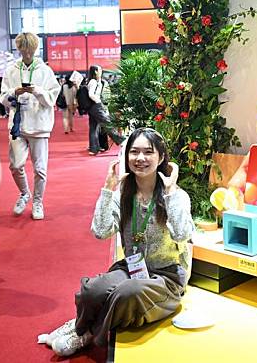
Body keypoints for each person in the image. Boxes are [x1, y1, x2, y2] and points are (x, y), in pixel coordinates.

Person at [38, 128, 194, 356]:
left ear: (161, 157)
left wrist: (169, 193)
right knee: (93, 289)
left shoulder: (176, 196)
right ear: (126, 157)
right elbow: (100, 232)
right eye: (134, 152)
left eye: (148, 152)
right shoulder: (123, 193)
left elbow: (182, 234)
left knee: (127, 293)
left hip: (166, 276)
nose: (140, 159)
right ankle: (77, 325)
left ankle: (86, 334)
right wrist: (107, 190)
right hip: (133, 267)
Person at [0, 32, 60, 220]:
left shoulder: (45, 70)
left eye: (29, 50)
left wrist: (37, 91)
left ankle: (38, 202)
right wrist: (14, 93)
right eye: (22, 50)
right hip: (18, 124)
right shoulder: (11, 70)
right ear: (19, 49)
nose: (26, 54)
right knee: (15, 165)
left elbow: (52, 98)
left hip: (39, 125)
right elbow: (2, 98)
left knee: (40, 169)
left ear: (34, 49)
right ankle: (25, 193)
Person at [86, 65, 124, 155]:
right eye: (100, 70)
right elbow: (91, 94)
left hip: (93, 107)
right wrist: (98, 101)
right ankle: (122, 141)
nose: (101, 71)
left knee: (94, 127)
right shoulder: (93, 81)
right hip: (96, 106)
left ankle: (93, 149)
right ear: (95, 71)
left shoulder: (95, 81)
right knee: (107, 124)